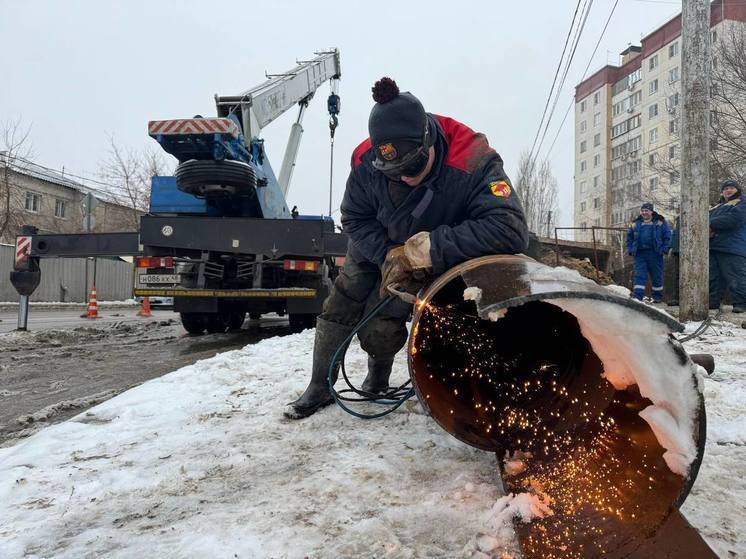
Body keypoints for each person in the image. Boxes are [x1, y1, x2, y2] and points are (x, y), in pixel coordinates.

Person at [284, 77, 529, 419]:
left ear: (429, 140)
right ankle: (319, 384)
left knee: (383, 322)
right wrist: (387, 253)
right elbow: (354, 217)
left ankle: (378, 377)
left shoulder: (472, 159)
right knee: (344, 295)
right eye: (394, 173)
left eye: (412, 167)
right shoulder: (365, 162)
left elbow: (510, 228)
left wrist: (428, 249)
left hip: (437, 248)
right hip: (380, 241)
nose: (405, 178)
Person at [709, 179, 746, 313]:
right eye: (726, 189)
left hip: (733, 246)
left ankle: (741, 303)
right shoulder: (718, 206)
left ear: (737, 190)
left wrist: (709, 223)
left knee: (735, 276)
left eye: (731, 188)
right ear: (722, 192)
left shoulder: (742, 202)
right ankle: (713, 302)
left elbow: (734, 219)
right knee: (714, 277)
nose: (728, 190)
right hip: (714, 246)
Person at [626, 202, 672, 303]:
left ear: (651, 211)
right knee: (639, 275)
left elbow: (667, 236)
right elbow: (629, 238)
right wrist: (630, 249)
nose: (644, 213)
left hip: (655, 253)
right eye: (642, 211)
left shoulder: (660, 223)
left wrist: (665, 248)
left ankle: (657, 297)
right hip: (640, 254)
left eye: (646, 210)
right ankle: (638, 297)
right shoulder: (635, 224)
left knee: (656, 275)